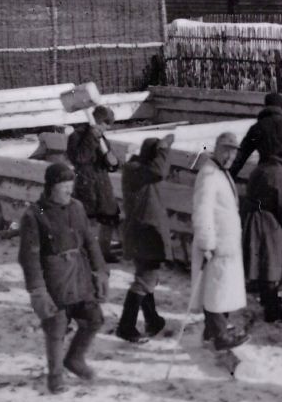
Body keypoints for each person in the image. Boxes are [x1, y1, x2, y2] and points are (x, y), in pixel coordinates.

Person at [18, 162, 109, 394]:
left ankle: (75, 359)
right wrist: (38, 290)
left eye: (71, 186)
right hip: (54, 279)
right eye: (64, 187)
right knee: (56, 326)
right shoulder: (34, 213)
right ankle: (55, 375)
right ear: (50, 188)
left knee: (94, 318)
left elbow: (90, 241)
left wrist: (100, 271)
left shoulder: (77, 207)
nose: (69, 191)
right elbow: (29, 257)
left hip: (80, 275)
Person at [189, 131, 251, 350]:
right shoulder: (209, 175)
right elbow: (202, 210)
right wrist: (207, 243)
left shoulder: (220, 172)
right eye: (226, 151)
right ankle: (220, 335)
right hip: (216, 244)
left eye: (233, 153)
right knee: (216, 289)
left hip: (226, 243)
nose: (230, 157)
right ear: (217, 148)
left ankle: (212, 330)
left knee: (219, 288)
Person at [116, 134, 175, 344]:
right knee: (146, 279)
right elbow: (159, 170)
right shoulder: (137, 171)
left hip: (142, 231)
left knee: (146, 276)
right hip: (144, 233)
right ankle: (126, 326)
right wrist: (165, 148)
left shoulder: (139, 171)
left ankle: (153, 320)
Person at [242, 141, 282, 324]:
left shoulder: (262, 168)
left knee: (262, 263)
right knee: (271, 265)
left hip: (252, 218)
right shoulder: (280, 175)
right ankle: (272, 310)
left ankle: (269, 304)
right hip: (268, 222)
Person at [67, 105, 121, 262]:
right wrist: (91, 137)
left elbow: (108, 161)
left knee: (110, 216)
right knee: (86, 219)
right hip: (85, 181)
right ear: (98, 121)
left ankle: (104, 251)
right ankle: (86, 253)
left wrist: (113, 162)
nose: (106, 128)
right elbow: (80, 158)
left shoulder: (102, 138)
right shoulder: (77, 136)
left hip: (102, 181)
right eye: (105, 124)